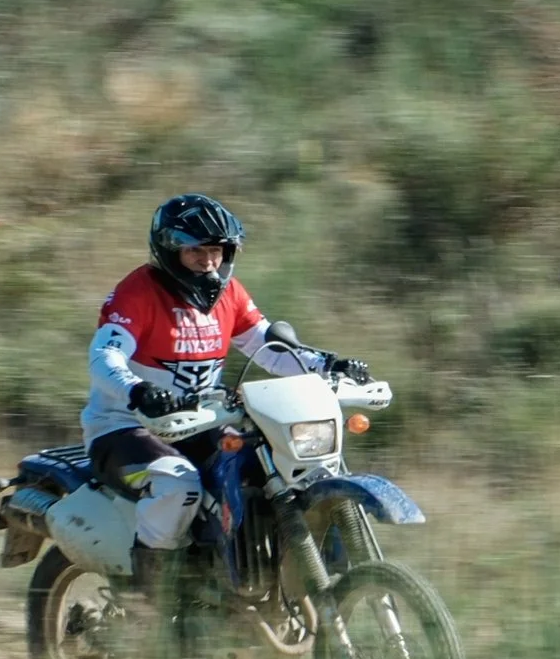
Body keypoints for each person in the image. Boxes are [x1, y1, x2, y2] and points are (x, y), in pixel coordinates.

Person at [85, 194, 368, 614]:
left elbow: (270, 346)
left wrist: (328, 364)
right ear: (170, 251)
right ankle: (147, 608)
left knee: (278, 467)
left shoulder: (228, 294)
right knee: (179, 486)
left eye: (216, 251)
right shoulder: (138, 293)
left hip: (201, 423)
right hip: (127, 426)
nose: (208, 262)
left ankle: (248, 576)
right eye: (195, 251)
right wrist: (138, 390)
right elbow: (104, 355)